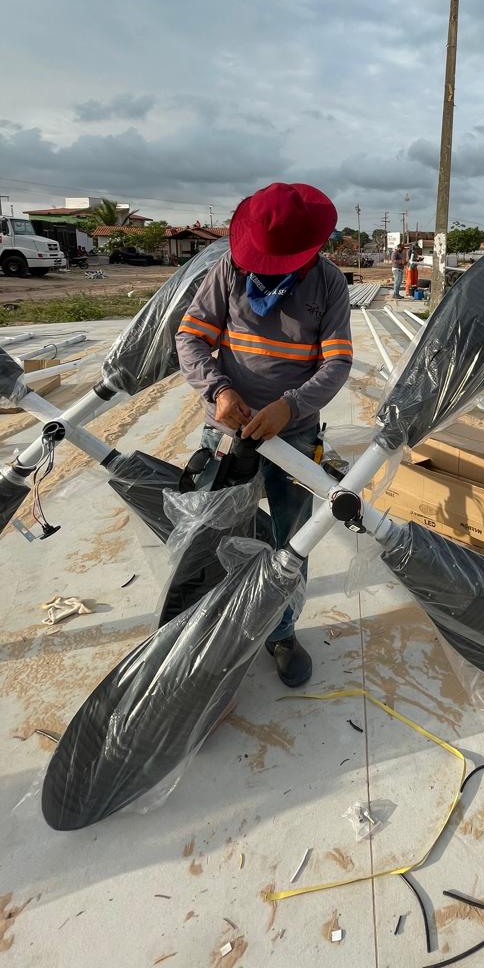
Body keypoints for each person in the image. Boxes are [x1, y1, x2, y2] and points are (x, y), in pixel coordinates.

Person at [175, 182, 352, 687]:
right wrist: (219, 392)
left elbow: (337, 362)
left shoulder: (328, 284)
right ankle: (212, 624)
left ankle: (281, 630)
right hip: (227, 430)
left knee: (289, 540)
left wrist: (290, 406)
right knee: (214, 532)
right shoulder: (227, 271)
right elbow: (190, 338)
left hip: (292, 436)